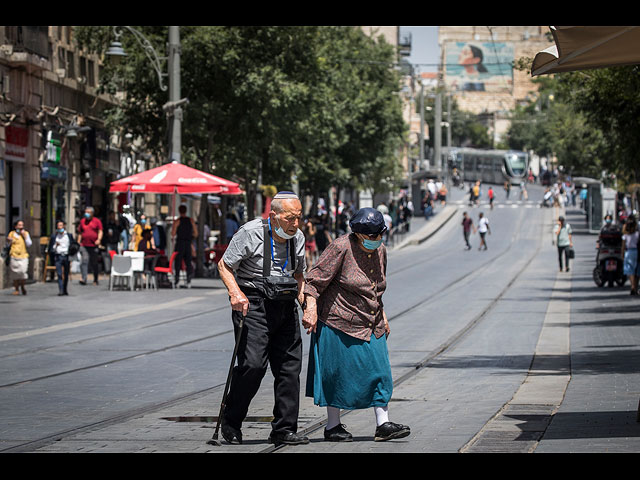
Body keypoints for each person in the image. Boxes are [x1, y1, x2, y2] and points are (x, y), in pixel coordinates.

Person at [302, 207, 410, 443]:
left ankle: (383, 424)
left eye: (380, 235)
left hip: (371, 320)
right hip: (338, 320)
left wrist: (383, 314)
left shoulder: (380, 249)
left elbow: (376, 288)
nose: (377, 240)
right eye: (373, 236)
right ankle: (333, 426)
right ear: (359, 234)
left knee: (381, 371)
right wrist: (310, 309)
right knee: (337, 374)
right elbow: (313, 281)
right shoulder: (340, 247)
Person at [218, 191, 308, 447]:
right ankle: (231, 421)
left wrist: (307, 305)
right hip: (254, 303)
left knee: (290, 367)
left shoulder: (297, 238)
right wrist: (235, 294)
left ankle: (284, 428)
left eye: (299, 217)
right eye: (290, 218)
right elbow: (224, 265)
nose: (295, 223)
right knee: (253, 365)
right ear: (274, 216)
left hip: (285, 303)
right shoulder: (250, 232)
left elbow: (300, 274)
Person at [171, 205, 197, 288]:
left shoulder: (177, 221)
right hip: (188, 243)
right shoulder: (191, 220)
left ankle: (177, 280)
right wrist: (190, 237)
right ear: (186, 211)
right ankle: (188, 280)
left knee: (178, 262)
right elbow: (196, 233)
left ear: (179, 211)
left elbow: (173, 233)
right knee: (188, 262)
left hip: (180, 243)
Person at [77, 206, 103, 286]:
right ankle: (84, 278)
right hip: (84, 245)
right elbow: (80, 232)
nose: (86, 214)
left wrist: (99, 239)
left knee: (94, 263)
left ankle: (95, 279)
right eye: (86, 212)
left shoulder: (97, 221)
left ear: (92, 213)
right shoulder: (82, 221)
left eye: (88, 212)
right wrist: (78, 241)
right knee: (84, 261)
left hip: (93, 245)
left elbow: (100, 231)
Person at [48, 220, 74, 296]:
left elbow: (73, 246)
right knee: (59, 274)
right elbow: (51, 248)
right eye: (58, 226)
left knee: (66, 274)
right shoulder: (54, 236)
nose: (59, 227)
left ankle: (65, 289)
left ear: (64, 226)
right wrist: (55, 245)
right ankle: (61, 290)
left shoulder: (68, 236)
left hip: (66, 256)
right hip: (58, 256)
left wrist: (72, 256)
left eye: (61, 225)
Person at [6, 220, 32, 295]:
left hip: (23, 256)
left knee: (23, 272)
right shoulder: (12, 234)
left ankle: (23, 286)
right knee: (15, 273)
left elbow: (29, 244)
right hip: (14, 255)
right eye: (19, 225)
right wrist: (9, 241)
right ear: (16, 226)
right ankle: (16, 289)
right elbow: (8, 245)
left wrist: (24, 236)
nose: (21, 227)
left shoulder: (26, 233)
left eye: (22, 225)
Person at [621, 215, 639, 295]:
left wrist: (622, 255)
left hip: (629, 252)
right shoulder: (637, 234)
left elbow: (623, 246)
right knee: (637, 270)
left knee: (630, 270)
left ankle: (632, 286)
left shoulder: (625, 235)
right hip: (636, 252)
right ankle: (635, 287)